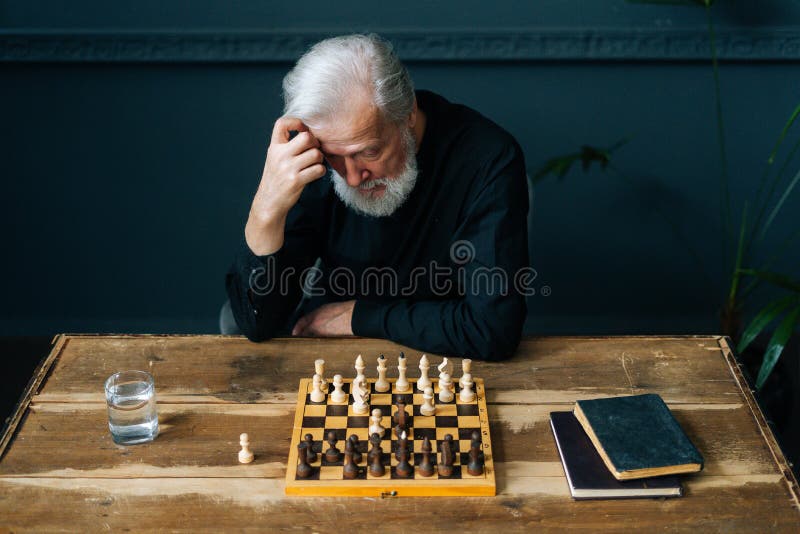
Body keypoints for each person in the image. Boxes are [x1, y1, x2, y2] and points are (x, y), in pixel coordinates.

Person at [224, 33, 529, 360]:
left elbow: (492, 329)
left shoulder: (488, 157)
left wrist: (361, 316)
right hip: (333, 358)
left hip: (443, 360)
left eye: (369, 151)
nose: (352, 177)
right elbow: (255, 324)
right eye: (334, 157)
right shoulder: (314, 160)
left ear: (408, 114)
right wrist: (265, 210)